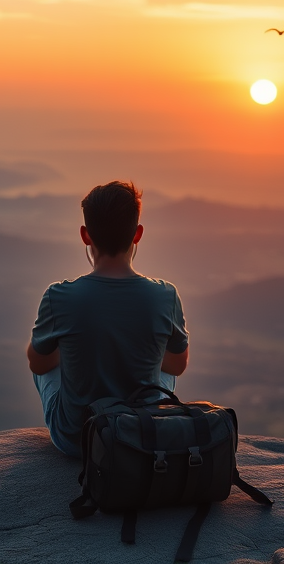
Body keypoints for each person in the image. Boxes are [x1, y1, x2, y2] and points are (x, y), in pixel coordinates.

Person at [27, 181, 190, 457]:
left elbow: (39, 364)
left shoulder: (59, 296)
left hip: (77, 441)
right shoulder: (165, 295)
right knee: (161, 365)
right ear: (137, 234)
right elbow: (176, 366)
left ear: (85, 235)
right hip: (140, 435)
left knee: (42, 351)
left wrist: (81, 351)